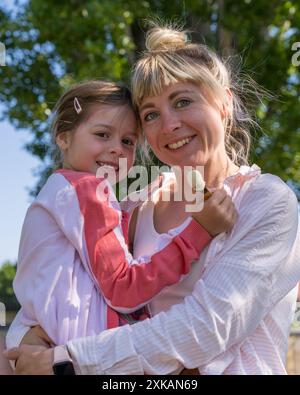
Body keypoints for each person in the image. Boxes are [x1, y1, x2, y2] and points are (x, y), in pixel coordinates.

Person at [4, 24, 300, 375]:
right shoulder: (136, 204)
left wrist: (64, 361)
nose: (168, 124)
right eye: (151, 114)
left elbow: (206, 328)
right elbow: (68, 286)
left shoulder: (267, 201)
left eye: (183, 101)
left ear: (225, 102)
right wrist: (26, 335)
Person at [1, 79, 236, 374]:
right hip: (82, 358)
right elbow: (123, 289)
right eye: (102, 134)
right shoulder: (85, 191)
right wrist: (199, 231)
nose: (116, 150)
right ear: (64, 137)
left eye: (128, 141)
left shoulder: (68, 193)